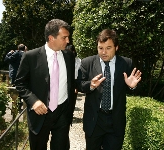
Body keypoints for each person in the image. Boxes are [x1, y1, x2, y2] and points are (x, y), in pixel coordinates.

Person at [15, 19, 75, 150]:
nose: (68, 41)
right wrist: (33, 101)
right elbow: (20, 83)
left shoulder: (69, 56)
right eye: (64, 37)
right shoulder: (30, 56)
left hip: (63, 114)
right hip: (40, 114)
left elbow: (71, 83)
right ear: (51, 38)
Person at [76, 29, 142, 150]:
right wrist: (90, 85)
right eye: (100, 48)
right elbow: (79, 85)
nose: (104, 52)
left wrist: (132, 86)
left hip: (115, 121)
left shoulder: (126, 63)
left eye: (108, 48)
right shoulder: (87, 63)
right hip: (94, 120)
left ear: (116, 47)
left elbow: (137, 89)